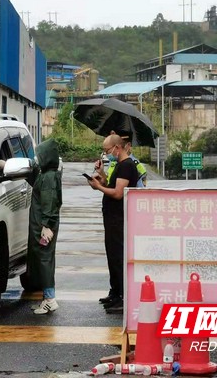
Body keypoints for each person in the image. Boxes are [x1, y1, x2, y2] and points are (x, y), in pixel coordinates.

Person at [87, 133, 139, 314]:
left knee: (118, 257)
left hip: (119, 219)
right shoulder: (119, 165)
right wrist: (101, 177)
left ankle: (123, 297)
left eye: (107, 150)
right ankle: (115, 292)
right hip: (111, 217)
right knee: (112, 255)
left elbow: (117, 193)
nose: (106, 154)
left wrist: (98, 187)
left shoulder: (127, 166)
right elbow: (111, 185)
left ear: (117, 148)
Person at [26, 138, 63, 315]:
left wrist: (47, 226)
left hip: (44, 226)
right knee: (43, 259)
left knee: (45, 260)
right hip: (42, 225)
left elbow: (49, 203)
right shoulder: (46, 175)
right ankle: (46, 298)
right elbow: (35, 182)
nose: (37, 158)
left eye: (39, 155)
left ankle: (50, 300)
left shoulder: (49, 178)